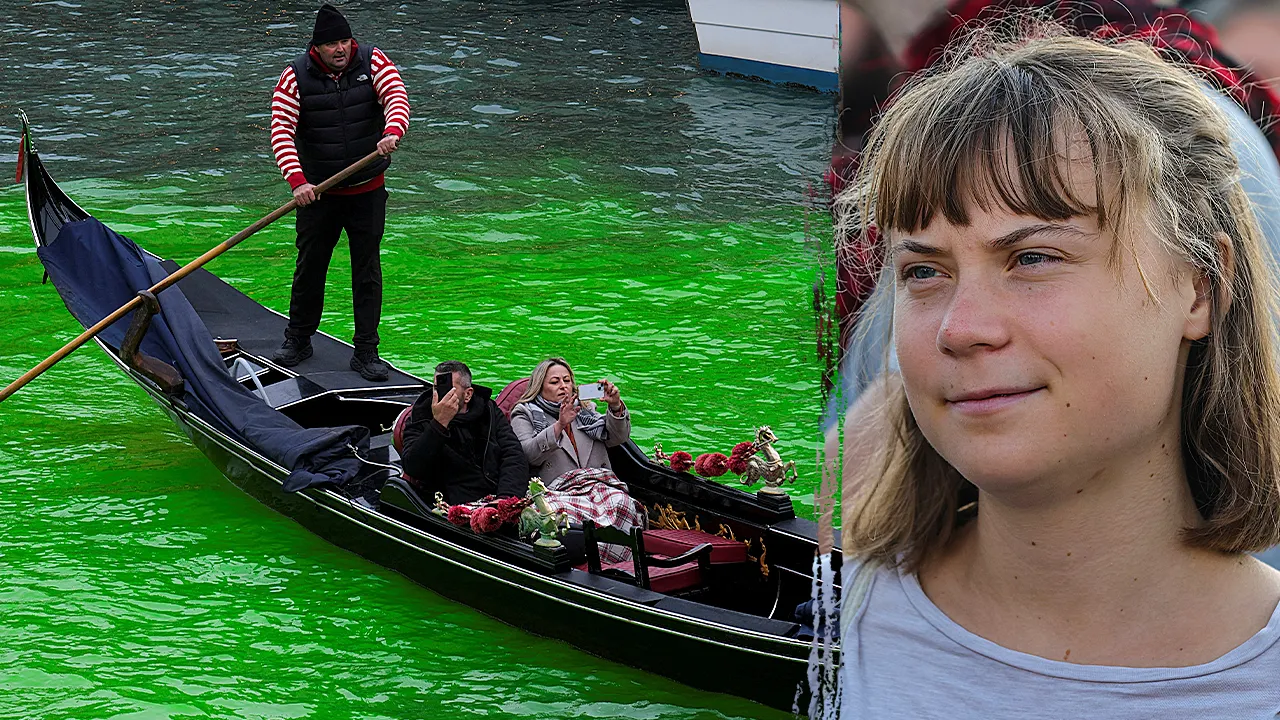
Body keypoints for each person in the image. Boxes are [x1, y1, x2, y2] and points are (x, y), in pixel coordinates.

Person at [837, 29, 1280, 717]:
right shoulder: (821, 628)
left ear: (1200, 287)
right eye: (924, 272)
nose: (961, 327)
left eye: (1033, 258)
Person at [268, 3, 410, 382]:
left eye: (345, 41)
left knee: (367, 272)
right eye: (332, 44)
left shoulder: (373, 60)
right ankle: (298, 338)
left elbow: (396, 96)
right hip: (319, 195)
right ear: (318, 48)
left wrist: (393, 130)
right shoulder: (294, 76)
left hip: (367, 191)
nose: (341, 49)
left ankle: (366, 350)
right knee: (310, 267)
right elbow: (281, 130)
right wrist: (297, 182)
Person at [510, 358, 645, 561]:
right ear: (539, 387)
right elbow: (528, 454)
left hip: (599, 486)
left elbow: (619, 438)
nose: (563, 386)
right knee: (557, 515)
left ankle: (618, 560)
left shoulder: (587, 410)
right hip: (558, 490)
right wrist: (559, 425)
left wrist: (616, 407)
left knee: (622, 503)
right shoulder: (524, 413)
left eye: (567, 380)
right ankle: (591, 560)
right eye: (554, 382)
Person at [399, 361, 529, 505]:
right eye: (437, 389)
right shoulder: (421, 416)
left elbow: (513, 454)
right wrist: (439, 424)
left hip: (498, 493)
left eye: (449, 390)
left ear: (468, 394)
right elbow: (413, 467)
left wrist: (506, 498)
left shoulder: (488, 410)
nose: (441, 395)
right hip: (453, 503)